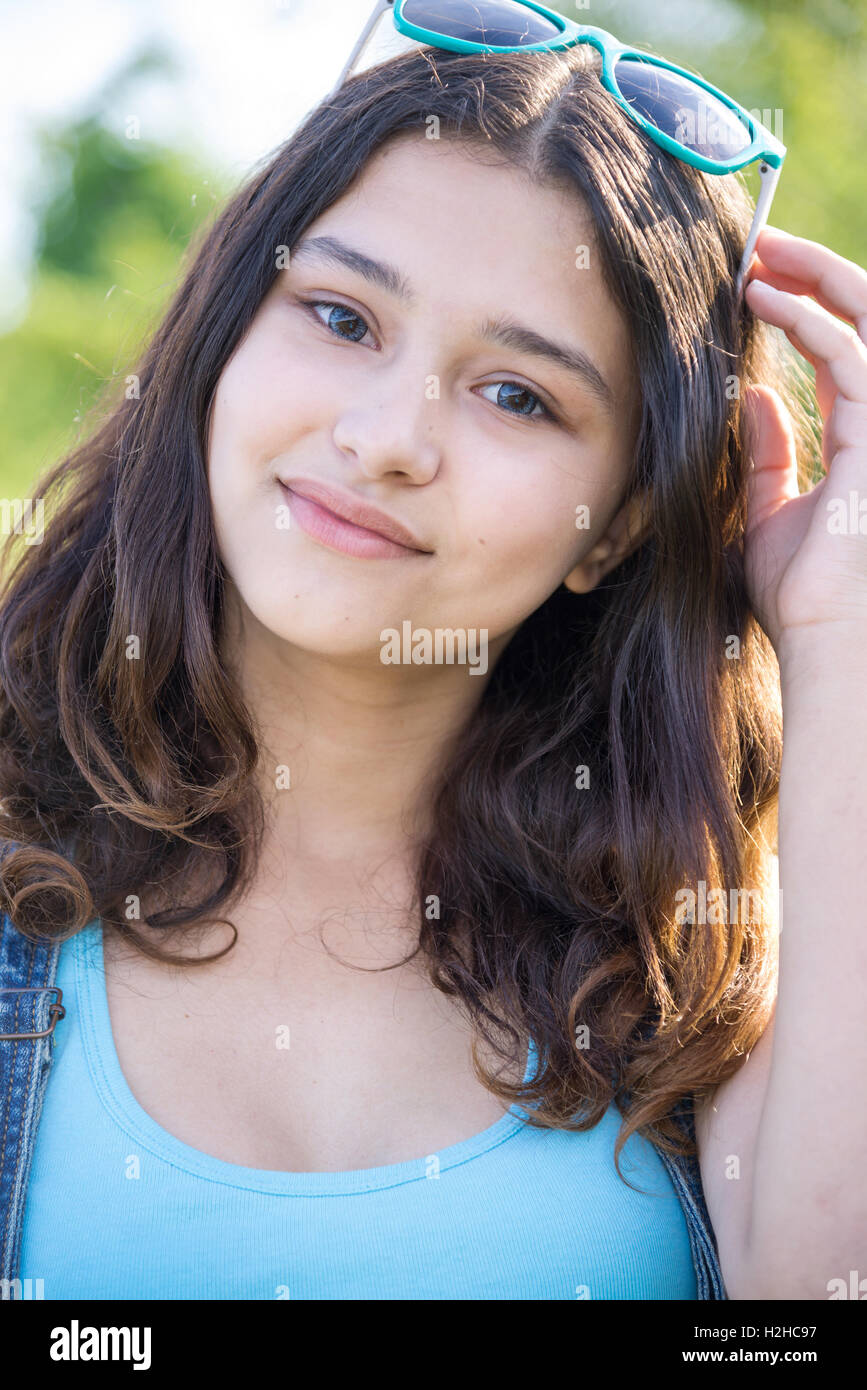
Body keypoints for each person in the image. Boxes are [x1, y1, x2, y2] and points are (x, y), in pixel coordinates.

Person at [1, 36, 865, 1302]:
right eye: (343, 318)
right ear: (223, 340)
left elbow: (815, 1300)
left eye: (518, 396)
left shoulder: (698, 966)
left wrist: (838, 635)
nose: (387, 439)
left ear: (619, 524)